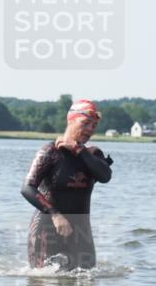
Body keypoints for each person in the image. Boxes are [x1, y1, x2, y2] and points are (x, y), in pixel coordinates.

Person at [22, 99, 112, 270]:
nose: (89, 130)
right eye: (85, 123)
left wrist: (79, 150)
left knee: (85, 285)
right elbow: (27, 188)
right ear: (70, 120)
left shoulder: (92, 154)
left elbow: (105, 176)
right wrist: (55, 215)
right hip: (47, 228)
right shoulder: (50, 152)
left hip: (81, 231)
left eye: (93, 126)